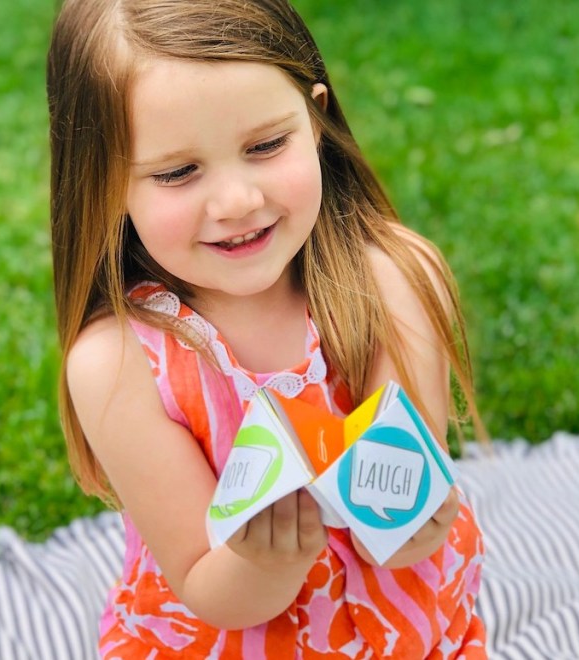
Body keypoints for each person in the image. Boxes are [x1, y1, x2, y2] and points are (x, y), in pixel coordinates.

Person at [46, 0, 487, 656]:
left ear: (314, 118)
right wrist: (268, 560)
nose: (237, 201)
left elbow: (396, 504)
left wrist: (409, 524)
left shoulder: (390, 281)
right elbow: (207, 588)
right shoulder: (118, 362)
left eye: (266, 145)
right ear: (104, 182)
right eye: (177, 172)